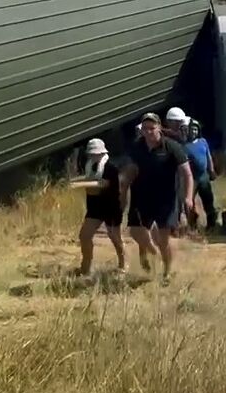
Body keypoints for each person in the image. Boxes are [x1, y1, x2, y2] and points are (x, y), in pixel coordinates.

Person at [120, 112, 194, 279]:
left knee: (163, 239)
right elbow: (129, 170)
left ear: (159, 127)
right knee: (136, 231)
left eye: (152, 128)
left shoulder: (172, 147)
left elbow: (187, 174)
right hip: (141, 196)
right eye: (145, 128)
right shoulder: (137, 147)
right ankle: (153, 254)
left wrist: (188, 197)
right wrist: (123, 188)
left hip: (165, 198)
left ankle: (167, 271)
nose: (148, 132)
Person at [74, 138, 126, 275]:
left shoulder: (111, 167)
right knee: (84, 236)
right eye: (90, 153)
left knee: (115, 237)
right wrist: (75, 181)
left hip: (111, 207)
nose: (92, 156)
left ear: (102, 153)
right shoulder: (90, 165)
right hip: (95, 208)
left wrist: (78, 185)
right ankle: (86, 266)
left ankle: (123, 264)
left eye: (94, 153)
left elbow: (100, 185)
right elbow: (88, 179)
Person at [185, 119, 217, 231]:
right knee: (190, 203)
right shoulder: (184, 144)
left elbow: (208, 157)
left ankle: (212, 224)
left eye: (195, 129)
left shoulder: (203, 141)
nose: (193, 131)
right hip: (191, 178)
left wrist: (212, 171)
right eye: (191, 129)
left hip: (204, 176)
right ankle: (192, 225)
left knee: (208, 200)